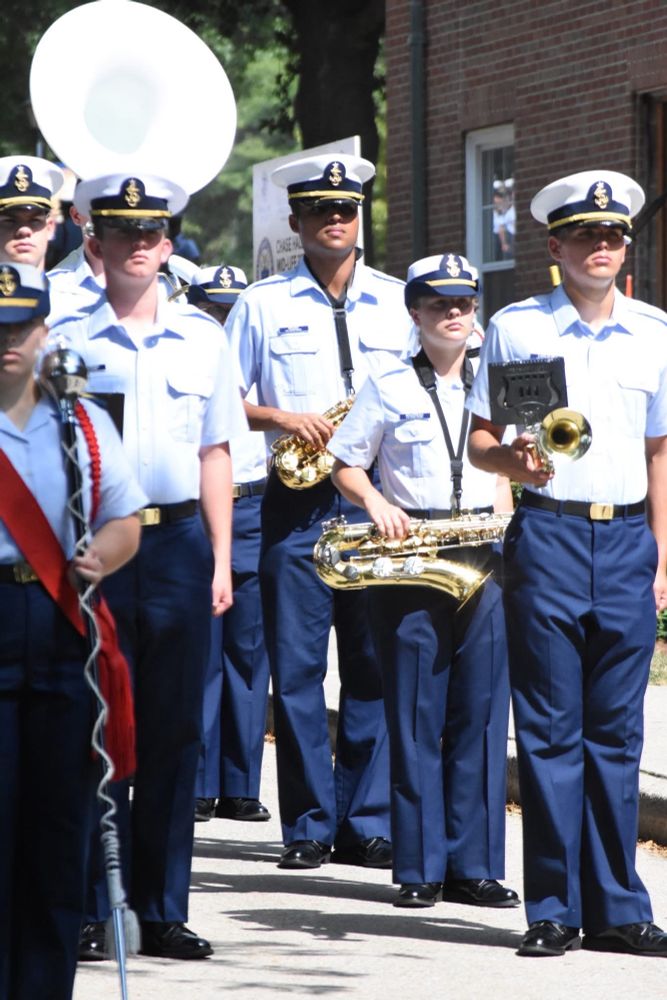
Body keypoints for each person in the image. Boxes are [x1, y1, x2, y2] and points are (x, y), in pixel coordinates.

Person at [466, 170, 667, 957]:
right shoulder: (518, 328)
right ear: (554, 246)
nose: (601, 248)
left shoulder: (654, 330)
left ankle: (617, 905)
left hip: (624, 543)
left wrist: (662, 556)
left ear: (625, 250)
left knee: (616, 737)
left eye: (613, 237)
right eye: (585, 235)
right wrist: (514, 468)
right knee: (550, 733)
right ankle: (553, 907)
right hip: (546, 537)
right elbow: (482, 440)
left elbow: (660, 452)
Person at [50, 172, 248, 961]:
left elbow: (215, 452)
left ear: (169, 244)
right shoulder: (64, 333)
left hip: (176, 547)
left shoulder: (202, 335)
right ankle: (98, 904)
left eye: (152, 232)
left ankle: (162, 908)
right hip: (93, 544)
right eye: (122, 231)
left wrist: (222, 559)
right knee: (94, 729)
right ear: (93, 242)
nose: (139, 244)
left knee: (172, 731)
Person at [225, 153, 411, 870]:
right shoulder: (261, 303)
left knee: (371, 671)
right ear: (298, 222)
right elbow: (224, 401)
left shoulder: (400, 299)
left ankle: (364, 820)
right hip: (296, 505)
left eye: (346, 208)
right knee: (298, 674)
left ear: (359, 215)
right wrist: (281, 415)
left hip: (376, 509)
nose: (335, 219)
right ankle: (306, 824)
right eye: (320, 211)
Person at [328, 253, 519, 909]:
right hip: (411, 553)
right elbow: (345, 465)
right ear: (415, 313)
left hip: (481, 549)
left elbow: (514, 461)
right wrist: (376, 503)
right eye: (440, 304)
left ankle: (475, 867)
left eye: (464, 303)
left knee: (481, 714)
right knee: (414, 714)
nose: (454, 314)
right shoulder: (387, 383)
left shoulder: (497, 382)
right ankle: (418, 869)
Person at [0, 262, 145, 1000]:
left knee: (59, 836)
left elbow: (125, 517)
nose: (7, 341)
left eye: (20, 326)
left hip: (62, 627)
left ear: (44, 330)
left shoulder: (80, 421)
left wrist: (105, 555)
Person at [188, 266, 272, 824]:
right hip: (201, 505)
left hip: (258, 500)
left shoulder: (251, 353)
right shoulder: (187, 350)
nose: (221, 318)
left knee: (249, 653)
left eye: (228, 308)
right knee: (201, 655)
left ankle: (240, 784)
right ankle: (197, 781)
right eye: (211, 307)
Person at [0, 156, 64, 269]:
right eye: (10, 221)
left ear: (50, 228)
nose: (24, 230)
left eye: (35, 220)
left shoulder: (67, 287)